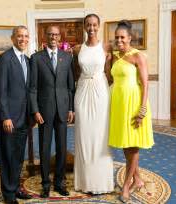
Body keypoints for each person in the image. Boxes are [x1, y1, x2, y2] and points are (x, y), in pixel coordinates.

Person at [108, 20, 154, 203]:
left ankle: (126, 186)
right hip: (119, 105)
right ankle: (138, 179)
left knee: (133, 147)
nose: (119, 40)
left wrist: (142, 109)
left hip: (134, 104)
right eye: (116, 37)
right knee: (126, 146)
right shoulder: (114, 55)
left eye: (122, 37)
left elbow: (145, 84)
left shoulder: (138, 56)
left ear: (130, 38)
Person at [29, 25, 75, 198]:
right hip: (44, 111)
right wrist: (35, 110)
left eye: (56, 35)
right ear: (45, 37)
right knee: (44, 148)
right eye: (50, 34)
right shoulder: (36, 58)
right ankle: (45, 184)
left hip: (63, 110)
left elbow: (71, 87)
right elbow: (32, 88)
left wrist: (71, 108)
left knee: (62, 148)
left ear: (60, 37)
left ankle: (60, 182)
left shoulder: (67, 57)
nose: (53, 37)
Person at [73, 13, 114, 194]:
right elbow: (74, 73)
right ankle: (84, 181)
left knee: (100, 135)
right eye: (88, 25)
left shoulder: (106, 46)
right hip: (82, 92)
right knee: (83, 134)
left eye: (94, 25)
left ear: (99, 25)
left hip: (100, 92)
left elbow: (110, 73)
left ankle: (101, 181)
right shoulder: (76, 49)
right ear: (84, 26)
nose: (91, 28)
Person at [0, 25, 32, 204]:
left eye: (25, 36)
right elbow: (0, 91)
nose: (23, 39)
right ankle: (8, 195)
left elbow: (27, 90)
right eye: (19, 36)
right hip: (9, 118)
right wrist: (5, 116)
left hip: (24, 118)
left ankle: (15, 187)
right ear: (12, 38)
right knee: (8, 156)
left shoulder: (28, 60)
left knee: (18, 156)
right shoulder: (3, 59)